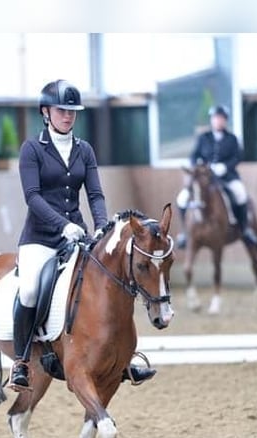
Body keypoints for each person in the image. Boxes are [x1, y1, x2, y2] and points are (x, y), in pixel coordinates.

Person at [10, 79, 156, 392]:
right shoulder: (32, 149)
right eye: (61, 110)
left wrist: (102, 228)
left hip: (77, 236)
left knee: (107, 286)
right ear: (46, 112)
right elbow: (32, 197)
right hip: (40, 237)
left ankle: (121, 359)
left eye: (72, 111)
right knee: (31, 291)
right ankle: (21, 362)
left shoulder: (84, 150)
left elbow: (95, 194)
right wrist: (61, 225)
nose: (68, 116)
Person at [176, 105, 257, 249]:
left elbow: (237, 157)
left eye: (220, 119)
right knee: (182, 198)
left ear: (225, 121)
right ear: (212, 120)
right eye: (215, 118)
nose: (217, 121)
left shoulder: (232, 139)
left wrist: (225, 167)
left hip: (226, 176)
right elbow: (193, 155)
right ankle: (185, 232)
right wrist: (198, 164)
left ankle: (244, 229)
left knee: (240, 193)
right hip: (205, 178)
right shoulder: (203, 137)